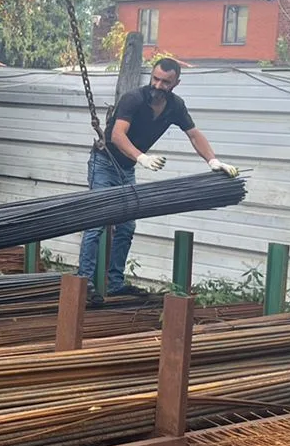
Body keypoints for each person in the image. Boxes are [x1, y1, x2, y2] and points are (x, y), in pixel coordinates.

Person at [77, 57, 237, 301]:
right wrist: (142, 157)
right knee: (96, 222)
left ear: (176, 83)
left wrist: (213, 161)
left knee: (127, 226)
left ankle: (115, 284)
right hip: (105, 163)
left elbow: (194, 135)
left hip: (126, 168)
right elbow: (118, 135)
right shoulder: (133, 99)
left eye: (165, 82)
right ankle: (84, 283)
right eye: (156, 79)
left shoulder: (175, 106)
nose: (158, 85)